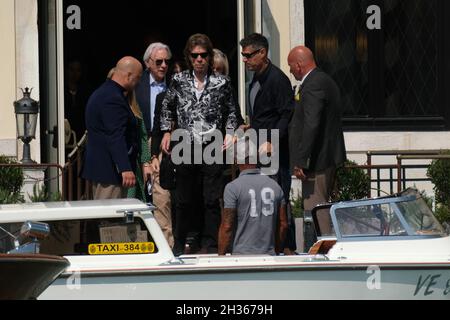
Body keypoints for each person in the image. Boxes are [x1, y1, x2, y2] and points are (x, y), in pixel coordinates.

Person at [160, 33, 240, 256]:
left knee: (211, 199)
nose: (199, 60)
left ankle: (212, 245)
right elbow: (167, 106)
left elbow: (232, 111)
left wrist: (230, 132)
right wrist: (167, 132)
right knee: (183, 199)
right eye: (195, 56)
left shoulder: (222, 82)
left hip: (212, 143)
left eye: (204, 55)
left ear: (209, 56)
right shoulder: (179, 80)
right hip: (186, 141)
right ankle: (180, 244)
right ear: (189, 57)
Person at [239, 33, 296, 254]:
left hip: (275, 153)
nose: (244, 60)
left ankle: (288, 248)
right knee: (265, 201)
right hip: (259, 148)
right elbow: (263, 113)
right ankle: (270, 247)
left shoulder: (277, 79)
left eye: (248, 55)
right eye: (243, 55)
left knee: (279, 199)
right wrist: (250, 126)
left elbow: (286, 114)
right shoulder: (256, 78)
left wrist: (273, 140)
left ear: (262, 53)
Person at [287, 46, 346, 248]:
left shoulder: (313, 84)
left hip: (317, 161)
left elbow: (312, 124)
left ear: (299, 64)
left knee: (317, 209)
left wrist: (302, 161)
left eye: (291, 66)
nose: (290, 71)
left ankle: (325, 253)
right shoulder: (324, 80)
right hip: (325, 157)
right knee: (322, 209)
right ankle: (326, 248)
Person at [82, 56, 143, 199]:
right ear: (128, 76)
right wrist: (125, 167)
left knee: (105, 217)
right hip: (109, 172)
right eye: (138, 78)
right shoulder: (113, 98)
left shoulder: (103, 92)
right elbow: (115, 135)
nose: (139, 82)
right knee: (110, 218)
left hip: (103, 169)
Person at [218, 139, 288, 255]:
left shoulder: (232, 188)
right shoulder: (275, 186)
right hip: (269, 256)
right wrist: (275, 251)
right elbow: (284, 225)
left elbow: (227, 226)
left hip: (241, 257)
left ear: (236, 160)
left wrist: (221, 256)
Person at [135, 42, 174, 248]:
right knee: (145, 193)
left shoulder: (175, 84)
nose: (163, 65)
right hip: (144, 140)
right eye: (158, 61)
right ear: (148, 63)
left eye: (166, 61)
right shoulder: (137, 85)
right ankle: (145, 242)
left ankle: (166, 243)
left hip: (170, 141)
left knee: (163, 195)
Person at [107, 68, 152, 203]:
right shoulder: (108, 104)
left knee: (133, 203)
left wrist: (145, 162)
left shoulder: (134, 107)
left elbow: (143, 136)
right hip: (112, 166)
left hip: (133, 166)